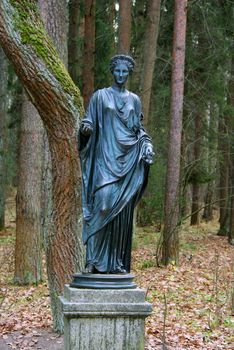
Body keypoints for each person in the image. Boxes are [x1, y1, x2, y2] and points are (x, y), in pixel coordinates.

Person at [79, 54, 154, 274]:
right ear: (112, 71)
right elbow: (88, 121)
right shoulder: (100, 97)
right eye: (117, 71)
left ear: (129, 74)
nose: (121, 75)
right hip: (104, 160)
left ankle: (116, 262)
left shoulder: (134, 100)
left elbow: (139, 130)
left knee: (121, 214)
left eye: (125, 72)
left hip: (128, 160)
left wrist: (147, 146)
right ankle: (92, 261)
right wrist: (85, 130)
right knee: (102, 206)